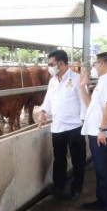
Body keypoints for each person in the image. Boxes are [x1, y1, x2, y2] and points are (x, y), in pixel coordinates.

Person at [79, 52, 107, 211]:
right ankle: (101, 199)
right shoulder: (103, 81)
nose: (94, 66)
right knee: (99, 169)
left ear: (103, 63)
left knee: (105, 170)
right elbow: (91, 105)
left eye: (95, 63)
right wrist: (82, 87)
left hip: (102, 133)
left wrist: (103, 129)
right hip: (96, 131)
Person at [38, 49, 86, 201]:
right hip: (58, 125)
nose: (49, 67)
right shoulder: (53, 81)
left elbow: (84, 102)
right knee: (59, 157)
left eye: (51, 64)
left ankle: (76, 188)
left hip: (75, 126)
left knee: (78, 159)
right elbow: (48, 99)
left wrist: (84, 122)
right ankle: (59, 184)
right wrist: (43, 111)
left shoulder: (77, 79)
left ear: (61, 63)